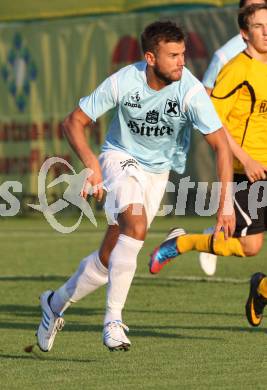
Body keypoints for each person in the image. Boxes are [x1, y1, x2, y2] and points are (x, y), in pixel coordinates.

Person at [36, 20, 235, 353]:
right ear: (150, 57)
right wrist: (93, 165)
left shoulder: (190, 89)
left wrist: (225, 204)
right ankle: (113, 320)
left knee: (108, 257)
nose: (181, 62)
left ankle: (54, 304)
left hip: (158, 174)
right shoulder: (125, 80)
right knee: (136, 224)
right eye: (173, 55)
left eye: (183, 54)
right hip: (119, 157)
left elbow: (221, 146)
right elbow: (73, 122)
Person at [149, 4, 267, 327]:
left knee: (251, 246)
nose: (266, 31)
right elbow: (212, 123)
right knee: (249, 246)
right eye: (258, 26)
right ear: (244, 33)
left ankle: (262, 288)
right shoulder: (236, 70)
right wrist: (246, 158)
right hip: (248, 174)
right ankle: (182, 243)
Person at [202, 0, 267, 95]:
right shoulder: (225, 55)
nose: (256, 12)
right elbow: (207, 96)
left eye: (260, 7)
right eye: (250, 9)